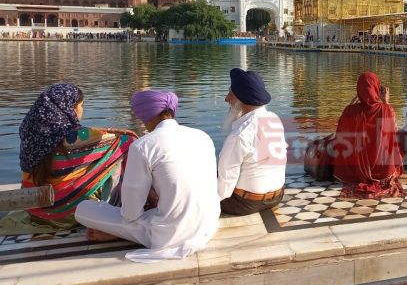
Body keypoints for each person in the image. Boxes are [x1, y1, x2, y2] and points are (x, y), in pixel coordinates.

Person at [75, 90, 219, 262]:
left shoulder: (143, 145)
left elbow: (130, 214)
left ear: (144, 115)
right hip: (207, 225)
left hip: (168, 235)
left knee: (83, 209)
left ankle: (117, 234)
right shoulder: (202, 136)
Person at [0, 84, 136, 234]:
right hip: (69, 212)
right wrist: (118, 135)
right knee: (122, 149)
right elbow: (125, 140)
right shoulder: (77, 138)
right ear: (70, 108)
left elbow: (71, 134)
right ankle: (125, 207)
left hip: (36, 208)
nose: (82, 110)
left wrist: (105, 130)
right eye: (81, 105)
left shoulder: (29, 130)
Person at [218, 68, 287, 216]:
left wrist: (208, 200)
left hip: (246, 204)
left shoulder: (240, 134)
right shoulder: (274, 119)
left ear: (241, 100)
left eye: (230, 94)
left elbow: (225, 187)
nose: (226, 99)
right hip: (276, 197)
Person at [332, 72, 405, 199]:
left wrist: (355, 99)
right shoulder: (386, 110)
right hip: (382, 171)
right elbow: (394, 133)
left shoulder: (350, 111)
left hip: (353, 172)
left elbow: (340, 134)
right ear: (377, 89)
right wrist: (386, 103)